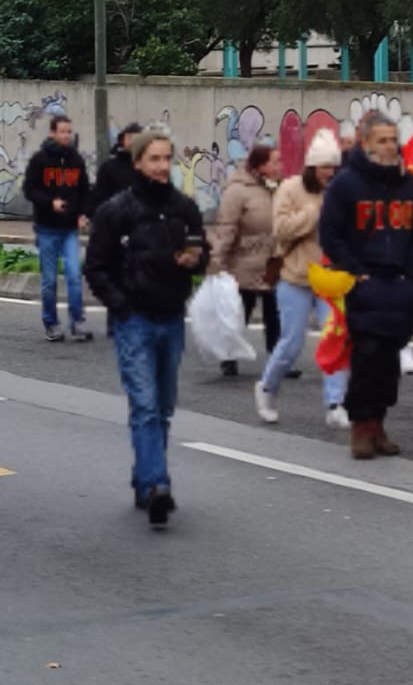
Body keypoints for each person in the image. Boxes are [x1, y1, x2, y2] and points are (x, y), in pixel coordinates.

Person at [85, 128, 208, 529]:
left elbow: (199, 248)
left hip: (171, 316)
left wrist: (195, 261)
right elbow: (96, 267)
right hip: (134, 319)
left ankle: (144, 478)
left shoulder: (184, 208)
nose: (160, 166)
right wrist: (120, 305)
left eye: (166, 158)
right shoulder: (116, 211)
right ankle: (158, 485)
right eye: (153, 159)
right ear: (137, 162)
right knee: (145, 404)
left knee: (164, 407)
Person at [318, 111, 413, 460]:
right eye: (382, 140)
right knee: (367, 356)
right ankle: (360, 426)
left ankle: (379, 423)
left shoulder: (407, 183)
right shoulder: (346, 184)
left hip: (398, 283)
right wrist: (356, 271)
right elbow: (331, 234)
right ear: (366, 143)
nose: (389, 147)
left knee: (388, 360)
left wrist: (411, 269)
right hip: (363, 282)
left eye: (392, 140)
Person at [256, 130, 349, 429]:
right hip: (294, 278)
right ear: (312, 167)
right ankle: (267, 387)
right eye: (325, 167)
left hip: (329, 280)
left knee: (335, 339)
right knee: (291, 342)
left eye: (334, 167)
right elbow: (281, 229)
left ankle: (336, 403)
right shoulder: (290, 188)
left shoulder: (341, 190)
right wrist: (314, 212)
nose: (330, 173)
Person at [206, 144, 280, 378]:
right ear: (261, 166)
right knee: (240, 313)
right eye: (274, 162)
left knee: (275, 313)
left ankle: (278, 358)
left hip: (272, 262)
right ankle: (228, 357)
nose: (279, 166)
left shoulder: (277, 188)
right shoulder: (238, 191)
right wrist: (217, 261)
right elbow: (226, 227)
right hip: (244, 263)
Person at [23, 113, 92, 343]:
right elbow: (29, 190)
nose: (66, 136)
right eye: (62, 131)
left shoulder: (76, 160)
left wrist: (83, 214)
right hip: (46, 228)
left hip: (70, 228)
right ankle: (51, 323)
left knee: (74, 275)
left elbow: (85, 191)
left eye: (69, 131)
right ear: (52, 133)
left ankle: (77, 322)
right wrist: (49, 202)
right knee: (49, 281)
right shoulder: (39, 160)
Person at [87, 122, 143, 218]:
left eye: (138, 138)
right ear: (122, 140)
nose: (134, 142)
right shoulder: (109, 168)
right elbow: (98, 199)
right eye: (130, 138)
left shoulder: (149, 168)